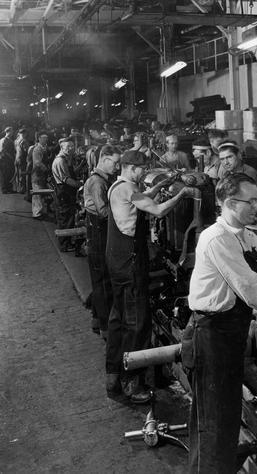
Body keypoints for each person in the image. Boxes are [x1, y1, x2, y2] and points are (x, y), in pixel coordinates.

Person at [185, 173, 257, 473]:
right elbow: (253, 290)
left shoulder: (246, 236)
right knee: (213, 426)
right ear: (231, 203)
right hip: (210, 338)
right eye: (252, 201)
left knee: (227, 419)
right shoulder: (217, 239)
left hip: (230, 338)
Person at [105, 150, 194, 403]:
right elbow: (157, 210)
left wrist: (164, 183)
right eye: (142, 168)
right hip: (130, 262)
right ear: (131, 167)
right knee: (137, 323)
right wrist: (181, 194)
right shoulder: (127, 189)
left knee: (118, 319)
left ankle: (113, 374)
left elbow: (143, 199)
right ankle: (132, 383)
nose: (144, 172)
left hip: (117, 260)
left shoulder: (119, 187)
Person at [83, 145, 121, 340]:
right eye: (115, 162)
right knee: (104, 282)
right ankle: (107, 330)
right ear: (104, 159)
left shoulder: (100, 180)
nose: (117, 167)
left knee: (98, 281)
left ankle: (97, 320)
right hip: (99, 235)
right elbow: (103, 212)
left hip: (94, 233)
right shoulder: (98, 183)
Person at [52, 139, 82, 251]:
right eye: (68, 146)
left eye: (72, 146)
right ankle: (65, 245)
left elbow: (71, 172)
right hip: (64, 193)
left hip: (67, 193)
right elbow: (67, 179)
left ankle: (67, 242)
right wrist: (79, 185)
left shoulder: (65, 159)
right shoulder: (60, 161)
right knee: (66, 219)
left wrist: (81, 165)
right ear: (62, 147)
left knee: (68, 218)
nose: (71, 148)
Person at [31, 132, 50, 219]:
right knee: (37, 193)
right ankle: (37, 213)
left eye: (46, 138)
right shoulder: (37, 149)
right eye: (44, 138)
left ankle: (41, 211)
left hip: (42, 175)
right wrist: (47, 169)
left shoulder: (44, 148)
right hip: (37, 174)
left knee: (41, 192)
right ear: (39, 138)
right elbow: (38, 163)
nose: (45, 139)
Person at [13, 128, 29, 194]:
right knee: (22, 174)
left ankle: (18, 188)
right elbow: (26, 150)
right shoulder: (24, 141)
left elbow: (15, 150)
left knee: (18, 174)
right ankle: (22, 189)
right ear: (24, 133)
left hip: (16, 158)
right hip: (22, 159)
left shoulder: (16, 140)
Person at [0, 126, 16, 193]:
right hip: (4, 160)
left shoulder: (10, 140)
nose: (12, 133)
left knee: (10, 174)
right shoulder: (3, 140)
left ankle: (9, 188)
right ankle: (4, 189)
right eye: (11, 131)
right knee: (5, 174)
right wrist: (10, 157)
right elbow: (2, 150)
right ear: (8, 132)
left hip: (10, 160)